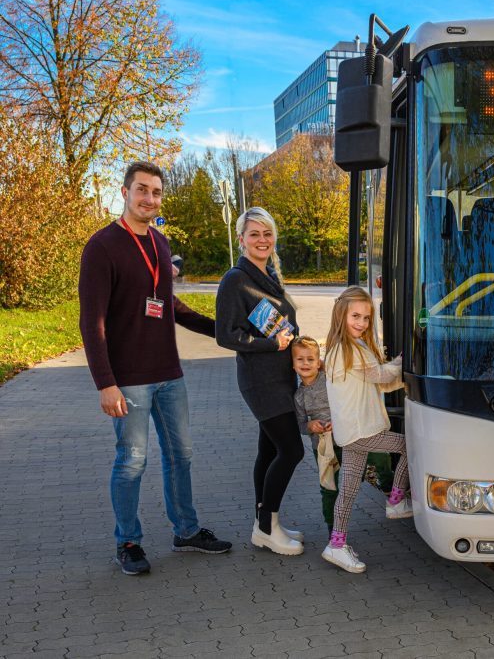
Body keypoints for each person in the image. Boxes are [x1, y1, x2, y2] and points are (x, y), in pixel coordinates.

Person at [79, 161, 232, 576]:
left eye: (156, 192)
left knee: (180, 455)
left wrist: (222, 330)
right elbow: (91, 323)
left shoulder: (161, 244)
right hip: (128, 380)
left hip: (169, 374)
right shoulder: (102, 246)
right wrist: (105, 383)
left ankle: (186, 531)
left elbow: (170, 305)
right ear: (125, 192)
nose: (150, 198)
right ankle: (127, 541)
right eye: (142, 190)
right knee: (132, 460)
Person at [215, 207, 305, 556]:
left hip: (282, 375)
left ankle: (263, 525)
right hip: (260, 380)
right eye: (254, 234)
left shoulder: (268, 274)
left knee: (268, 450)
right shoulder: (235, 279)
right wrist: (273, 344)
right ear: (241, 239)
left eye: (267, 233)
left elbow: (281, 323)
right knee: (291, 450)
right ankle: (268, 526)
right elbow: (226, 335)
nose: (262, 240)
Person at [322, 286, 413, 573]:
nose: (361, 323)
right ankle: (396, 500)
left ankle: (336, 544)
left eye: (366, 318)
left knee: (347, 491)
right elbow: (382, 375)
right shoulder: (346, 349)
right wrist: (405, 360)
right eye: (356, 316)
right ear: (341, 314)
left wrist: (403, 376)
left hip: (351, 432)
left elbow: (383, 384)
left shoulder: (354, 347)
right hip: (362, 430)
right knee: (409, 444)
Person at [291, 335, 342, 532]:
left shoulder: (328, 380)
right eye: (300, 359)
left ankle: (388, 483)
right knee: (329, 487)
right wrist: (311, 426)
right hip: (322, 447)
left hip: (345, 437)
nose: (305, 363)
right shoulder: (299, 396)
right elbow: (300, 425)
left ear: (318, 361)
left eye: (310, 359)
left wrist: (338, 422)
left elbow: (345, 401)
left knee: (371, 457)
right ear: (292, 364)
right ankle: (333, 529)